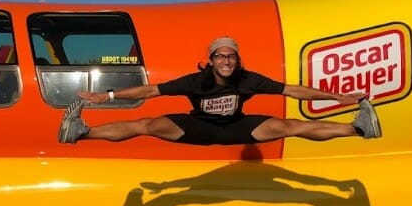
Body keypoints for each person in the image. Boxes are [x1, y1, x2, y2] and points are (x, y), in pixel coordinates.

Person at [58, 36, 382, 145]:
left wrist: (339, 97)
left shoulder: (248, 79)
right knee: (147, 124)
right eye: (220, 56)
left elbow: (294, 91)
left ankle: (358, 128)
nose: (226, 60)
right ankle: (80, 133)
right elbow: (151, 90)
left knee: (290, 126)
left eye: (231, 56)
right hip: (198, 126)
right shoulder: (195, 82)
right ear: (211, 60)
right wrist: (107, 96)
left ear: (237, 60)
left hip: (236, 128)